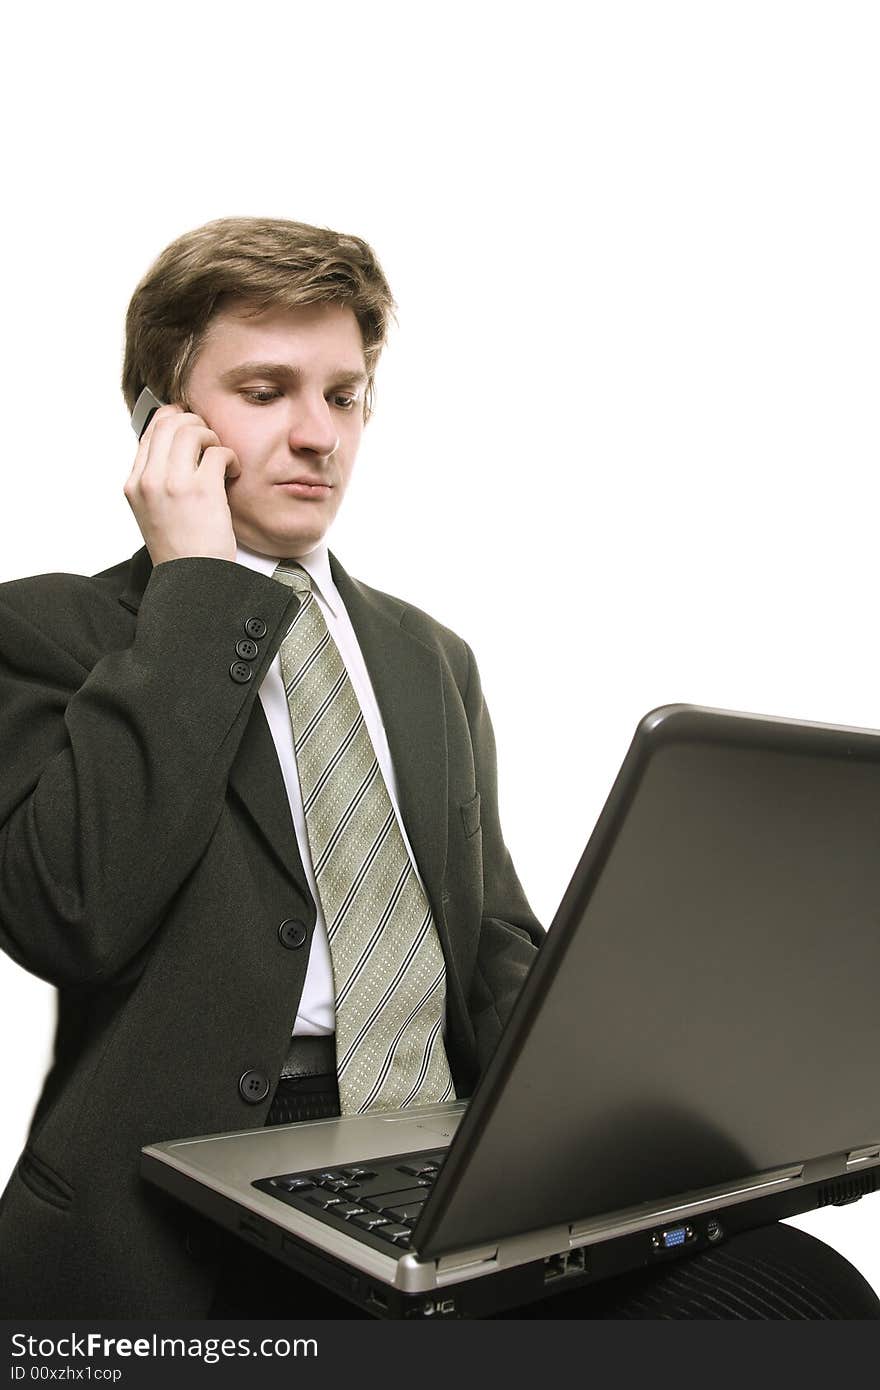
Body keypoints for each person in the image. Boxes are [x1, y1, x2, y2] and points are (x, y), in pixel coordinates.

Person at [0, 217, 877, 1321]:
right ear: (159, 419)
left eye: (345, 393)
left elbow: (490, 946)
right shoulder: (51, 632)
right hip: (190, 1192)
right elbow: (70, 910)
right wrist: (197, 591)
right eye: (266, 391)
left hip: (448, 1157)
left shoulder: (427, 659)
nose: (319, 435)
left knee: (804, 1297)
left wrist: (638, 1106)